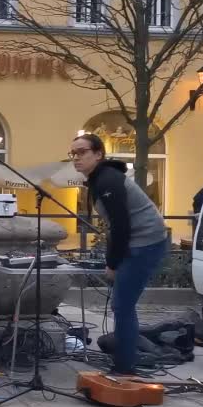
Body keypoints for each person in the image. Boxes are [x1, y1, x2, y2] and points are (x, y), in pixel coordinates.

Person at [70, 133, 168, 375]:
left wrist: (112, 264)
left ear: (98, 154)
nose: (76, 158)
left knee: (123, 306)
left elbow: (121, 225)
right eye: (73, 154)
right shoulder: (100, 179)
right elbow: (117, 227)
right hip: (139, 242)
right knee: (122, 305)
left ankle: (125, 369)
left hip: (146, 243)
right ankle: (125, 361)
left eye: (82, 152)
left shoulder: (107, 181)